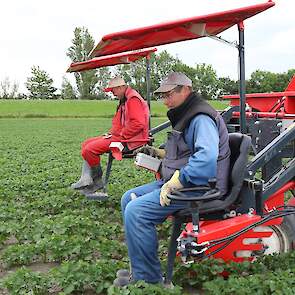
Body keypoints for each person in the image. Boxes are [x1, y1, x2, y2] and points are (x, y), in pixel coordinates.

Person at [114, 72, 230, 286]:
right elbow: (185, 151)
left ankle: (149, 281)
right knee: (127, 199)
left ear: (185, 90)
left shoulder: (201, 118)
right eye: (162, 96)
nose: (165, 100)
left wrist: (178, 181)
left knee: (137, 211)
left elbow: (206, 159)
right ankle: (140, 270)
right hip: (182, 181)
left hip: (199, 186)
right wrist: (160, 154)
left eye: (169, 94)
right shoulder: (187, 114)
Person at [70, 76, 150, 196]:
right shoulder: (125, 99)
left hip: (131, 140)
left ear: (121, 87)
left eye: (113, 90)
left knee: (89, 149)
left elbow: (138, 123)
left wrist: (121, 134)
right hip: (123, 137)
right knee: (86, 143)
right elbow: (118, 122)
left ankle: (97, 181)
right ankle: (86, 178)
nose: (112, 93)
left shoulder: (132, 99)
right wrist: (112, 133)